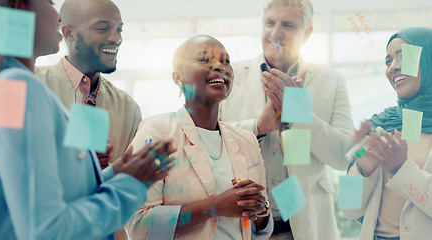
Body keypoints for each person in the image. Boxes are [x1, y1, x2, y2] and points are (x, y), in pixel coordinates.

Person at [0, 0, 173, 239]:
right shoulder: (21, 87)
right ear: (18, 10)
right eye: (49, 2)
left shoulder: (2, 83)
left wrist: (115, 173)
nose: (57, 15)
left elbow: (22, 194)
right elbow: (46, 230)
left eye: (119, 29)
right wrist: (132, 185)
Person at [219, 0, 354, 239]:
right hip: (244, 227)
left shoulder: (331, 81)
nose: (275, 32)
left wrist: (298, 111)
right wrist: (258, 126)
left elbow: (344, 155)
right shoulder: (230, 76)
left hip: (307, 228)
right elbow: (211, 140)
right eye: (270, 22)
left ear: (308, 32)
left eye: (288, 25)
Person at [126, 35, 273, 240]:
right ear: (177, 77)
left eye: (226, 61)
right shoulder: (157, 132)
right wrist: (214, 207)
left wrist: (259, 210)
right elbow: (137, 224)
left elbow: (259, 228)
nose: (219, 66)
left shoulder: (246, 140)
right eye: (204, 60)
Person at [343, 27, 432, 240]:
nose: (393, 67)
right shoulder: (381, 125)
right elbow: (348, 208)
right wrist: (363, 166)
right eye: (387, 61)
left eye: (402, 55)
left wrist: (401, 169)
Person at [35, 0, 141, 169]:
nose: (117, 38)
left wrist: (109, 170)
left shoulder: (128, 107)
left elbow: (130, 184)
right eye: (102, 28)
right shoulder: (32, 83)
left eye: (119, 29)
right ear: (68, 33)